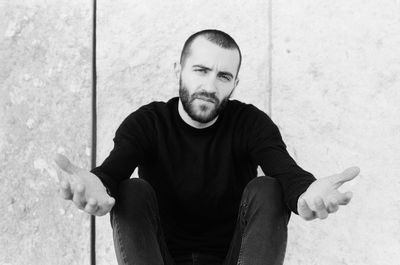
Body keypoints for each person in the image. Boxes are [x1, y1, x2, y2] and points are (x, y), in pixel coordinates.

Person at [55, 29, 360, 265]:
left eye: (223, 76)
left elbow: (286, 171)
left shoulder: (250, 123)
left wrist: (307, 194)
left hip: (234, 257)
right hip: (162, 257)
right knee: (131, 191)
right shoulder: (148, 123)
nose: (211, 87)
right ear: (179, 70)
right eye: (201, 70)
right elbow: (113, 169)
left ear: (235, 84)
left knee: (269, 187)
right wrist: (97, 184)